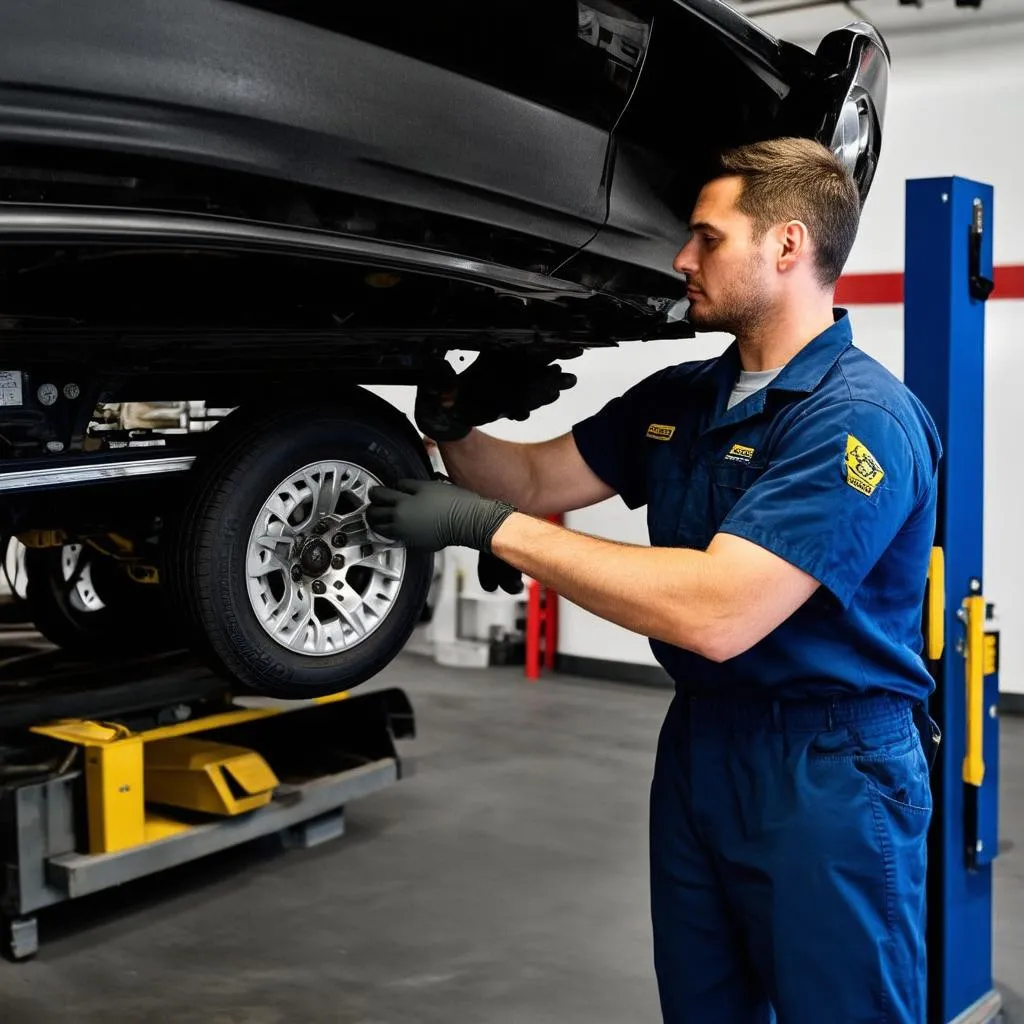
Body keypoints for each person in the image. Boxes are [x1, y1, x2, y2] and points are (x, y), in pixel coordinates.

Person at [367, 137, 943, 1024]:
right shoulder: (680, 398)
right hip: (700, 747)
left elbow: (718, 612)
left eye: (708, 238)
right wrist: (452, 427)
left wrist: (490, 531)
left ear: (787, 246)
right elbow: (530, 484)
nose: (681, 259)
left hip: (828, 768)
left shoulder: (858, 423)